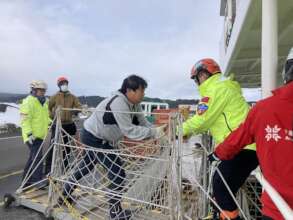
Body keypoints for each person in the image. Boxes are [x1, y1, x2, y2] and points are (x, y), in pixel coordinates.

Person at [59, 75, 164, 220]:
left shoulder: (135, 104)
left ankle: (65, 192)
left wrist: (157, 131)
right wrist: (153, 132)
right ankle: (115, 212)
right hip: (94, 137)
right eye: (141, 91)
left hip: (99, 137)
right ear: (129, 90)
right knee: (118, 173)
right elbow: (129, 130)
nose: (143, 94)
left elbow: (143, 122)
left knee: (87, 165)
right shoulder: (119, 103)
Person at [209, 47, 293, 220]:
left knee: (219, 183)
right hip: (276, 204)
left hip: (278, 209)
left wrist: (217, 154)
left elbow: (239, 137)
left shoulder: (264, 109)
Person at [182, 58, 258, 220]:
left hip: (241, 147)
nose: (197, 83)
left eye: (196, 79)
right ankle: (220, 214)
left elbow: (202, 120)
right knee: (222, 187)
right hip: (245, 146)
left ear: (203, 75)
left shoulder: (215, 89)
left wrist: (177, 130)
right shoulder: (224, 86)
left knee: (220, 185)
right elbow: (212, 121)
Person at [45, 76, 81, 174]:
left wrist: (74, 111)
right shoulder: (55, 96)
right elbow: (48, 107)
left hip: (68, 124)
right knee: (53, 146)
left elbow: (79, 107)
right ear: (59, 85)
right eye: (62, 84)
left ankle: (65, 168)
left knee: (67, 147)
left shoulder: (72, 97)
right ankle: (48, 170)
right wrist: (53, 116)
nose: (64, 85)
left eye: (65, 83)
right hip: (58, 124)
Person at [20, 80, 50, 187]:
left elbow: (45, 118)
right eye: (40, 90)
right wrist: (28, 134)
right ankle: (37, 181)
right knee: (37, 158)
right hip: (32, 136)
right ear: (33, 90)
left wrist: (52, 123)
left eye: (43, 90)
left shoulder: (44, 102)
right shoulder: (28, 102)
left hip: (40, 136)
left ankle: (26, 182)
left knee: (32, 158)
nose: (42, 92)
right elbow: (25, 120)